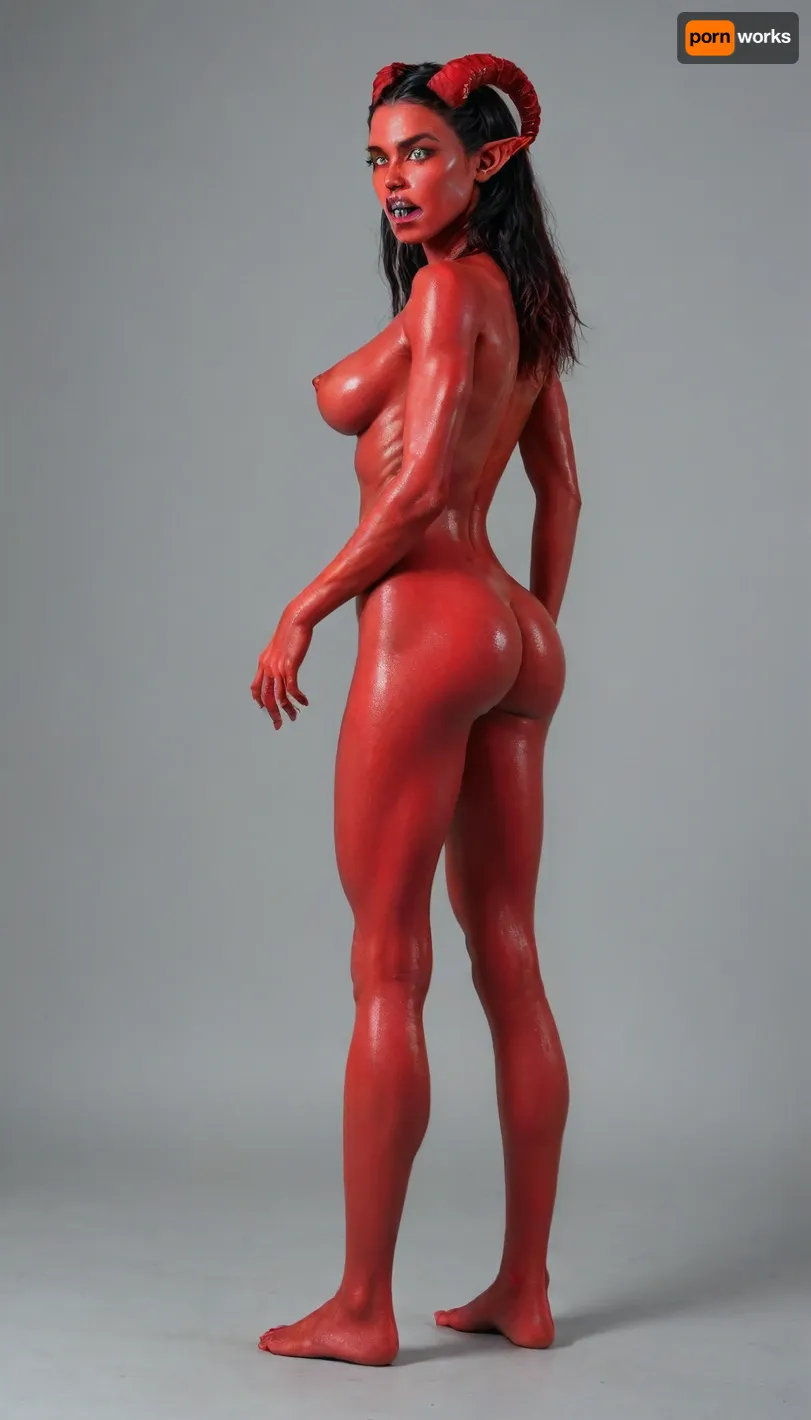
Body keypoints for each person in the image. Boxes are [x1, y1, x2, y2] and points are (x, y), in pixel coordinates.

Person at [251, 53, 583, 1366]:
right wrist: (533, 626)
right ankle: (523, 1289)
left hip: (427, 621)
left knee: (387, 965)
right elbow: (560, 493)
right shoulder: (523, 309)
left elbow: (424, 489)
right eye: (379, 159)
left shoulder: (450, 292)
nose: (394, 178)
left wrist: (306, 604)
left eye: (420, 154)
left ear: (484, 165)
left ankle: (361, 1308)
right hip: (509, 631)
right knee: (508, 952)